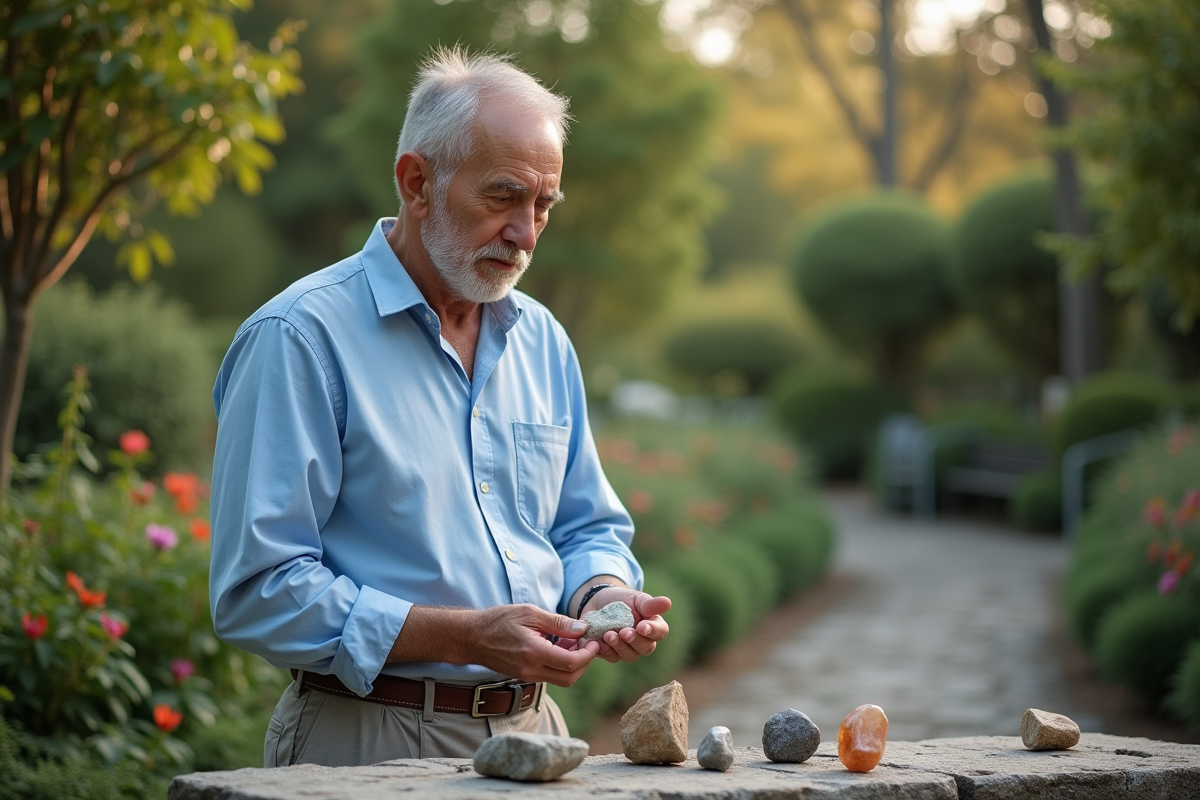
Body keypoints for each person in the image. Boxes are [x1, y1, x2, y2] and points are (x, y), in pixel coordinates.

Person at [208, 48, 671, 769]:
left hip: (539, 733)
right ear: (417, 183)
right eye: (503, 197)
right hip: (365, 742)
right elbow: (256, 591)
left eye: (543, 206)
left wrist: (600, 596)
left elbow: (585, 525)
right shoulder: (298, 337)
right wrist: (462, 636)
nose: (526, 233)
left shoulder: (543, 339)